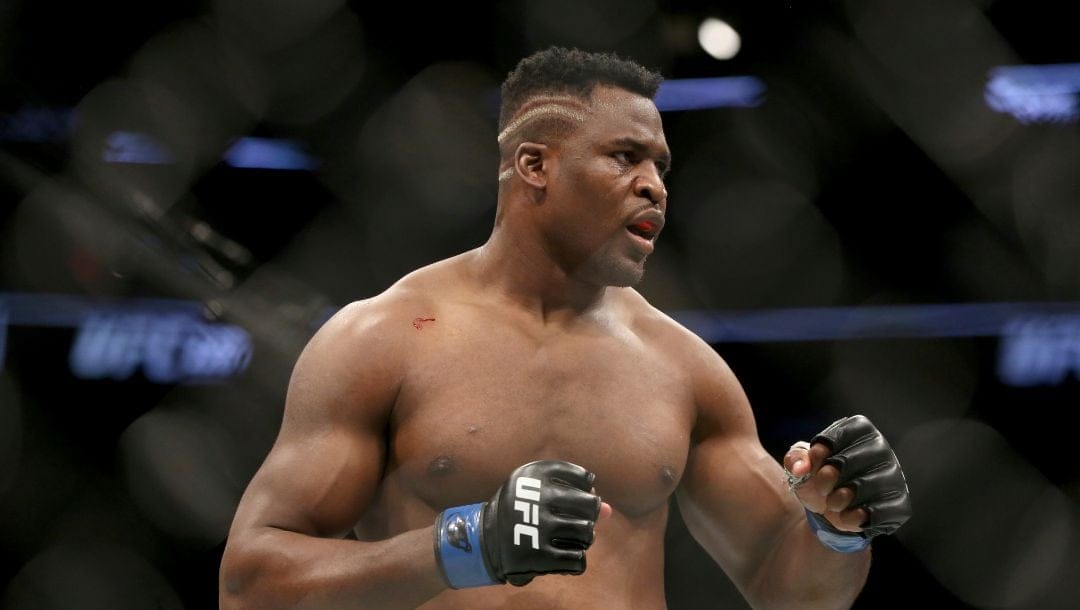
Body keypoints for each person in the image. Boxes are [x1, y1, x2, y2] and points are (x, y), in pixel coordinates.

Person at [218, 46, 911, 609]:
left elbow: (793, 594)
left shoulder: (683, 367)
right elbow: (249, 585)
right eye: (625, 156)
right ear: (534, 165)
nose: (655, 186)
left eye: (661, 166)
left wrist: (837, 526)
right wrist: (469, 545)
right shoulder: (386, 338)